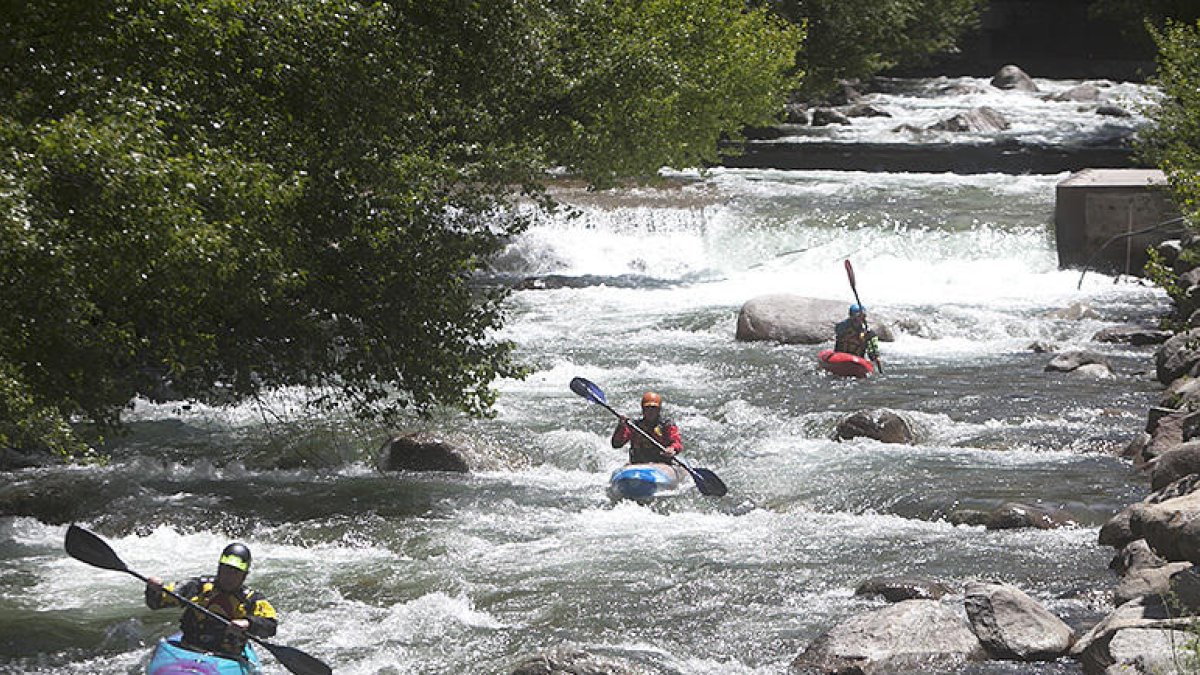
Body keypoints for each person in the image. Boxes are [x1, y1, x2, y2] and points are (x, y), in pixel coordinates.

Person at [145, 542, 278, 657]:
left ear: (244, 575)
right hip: (188, 649)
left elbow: (271, 626)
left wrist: (248, 623)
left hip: (228, 657)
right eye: (225, 570)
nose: (228, 577)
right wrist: (154, 589)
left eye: (235, 573)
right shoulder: (197, 586)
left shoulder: (251, 599)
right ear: (219, 568)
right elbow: (156, 603)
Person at [611, 391, 683, 464]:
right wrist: (621, 427)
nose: (650, 411)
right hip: (638, 463)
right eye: (647, 408)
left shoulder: (667, 425)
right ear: (643, 409)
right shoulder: (635, 426)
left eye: (653, 408)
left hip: (661, 464)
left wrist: (672, 449)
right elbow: (616, 444)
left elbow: (677, 442)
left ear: (659, 409)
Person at [835, 304, 882, 371]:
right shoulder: (843, 327)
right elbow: (838, 329)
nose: (857, 320)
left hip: (857, 360)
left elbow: (872, 351)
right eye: (855, 317)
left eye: (859, 317)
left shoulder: (869, 334)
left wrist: (875, 356)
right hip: (839, 357)